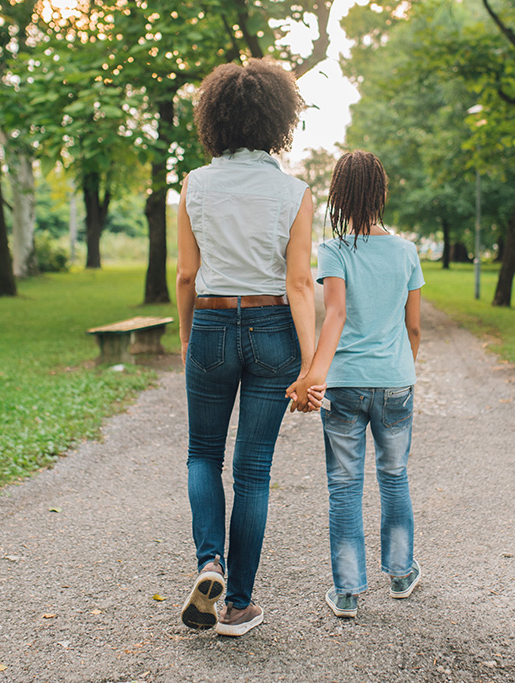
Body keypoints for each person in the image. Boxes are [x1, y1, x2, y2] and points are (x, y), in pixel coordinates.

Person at [175, 58, 318, 637]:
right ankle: (237, 605)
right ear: (278, 119)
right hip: (273, 329)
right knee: (252, 471)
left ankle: (209, 561)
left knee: (202, 455)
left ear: (215, 119)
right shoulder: (294, 192)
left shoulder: (194, 184)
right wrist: (310, 365)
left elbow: (187, 275)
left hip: (210, 324)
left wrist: (188, 337)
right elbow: (300, 284)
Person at [287, 150, 424, 619]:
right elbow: (415, 329)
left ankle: (347, 591)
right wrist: (402, 369)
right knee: (395, 476)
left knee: (344, 485)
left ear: (339, 196)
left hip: (344, 387)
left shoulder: (335, 250)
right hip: (395, 385)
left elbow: (336, 315)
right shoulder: (406, 251)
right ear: (382, 194)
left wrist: (314, 376)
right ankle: (402, 574)